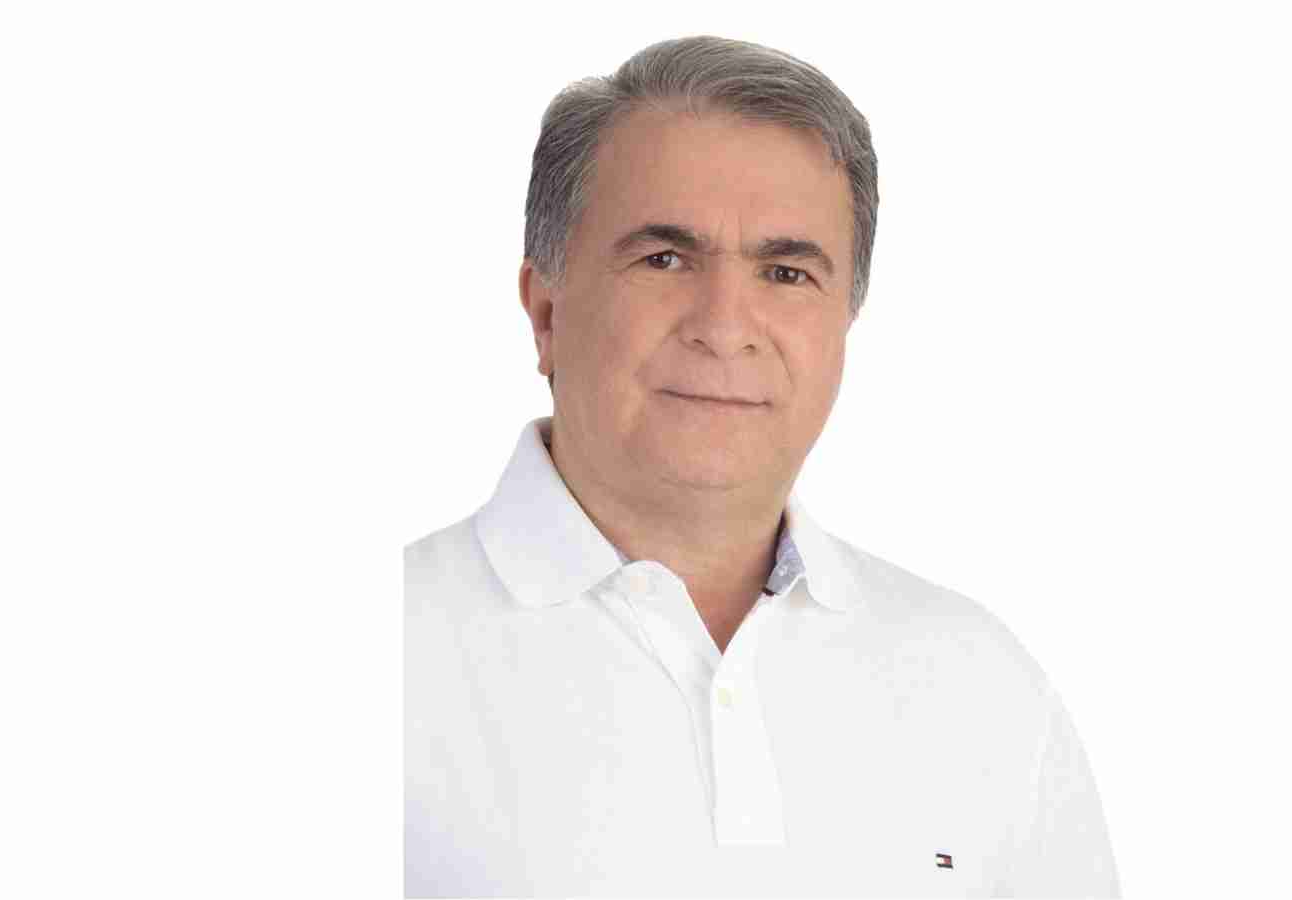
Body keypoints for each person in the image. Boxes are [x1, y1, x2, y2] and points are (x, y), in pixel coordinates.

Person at [404, 35, 1119, 898]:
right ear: (546, 311)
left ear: (843, 326)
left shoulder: (984, 687)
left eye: (786, 272)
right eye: (664, 259)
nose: (724, 326)